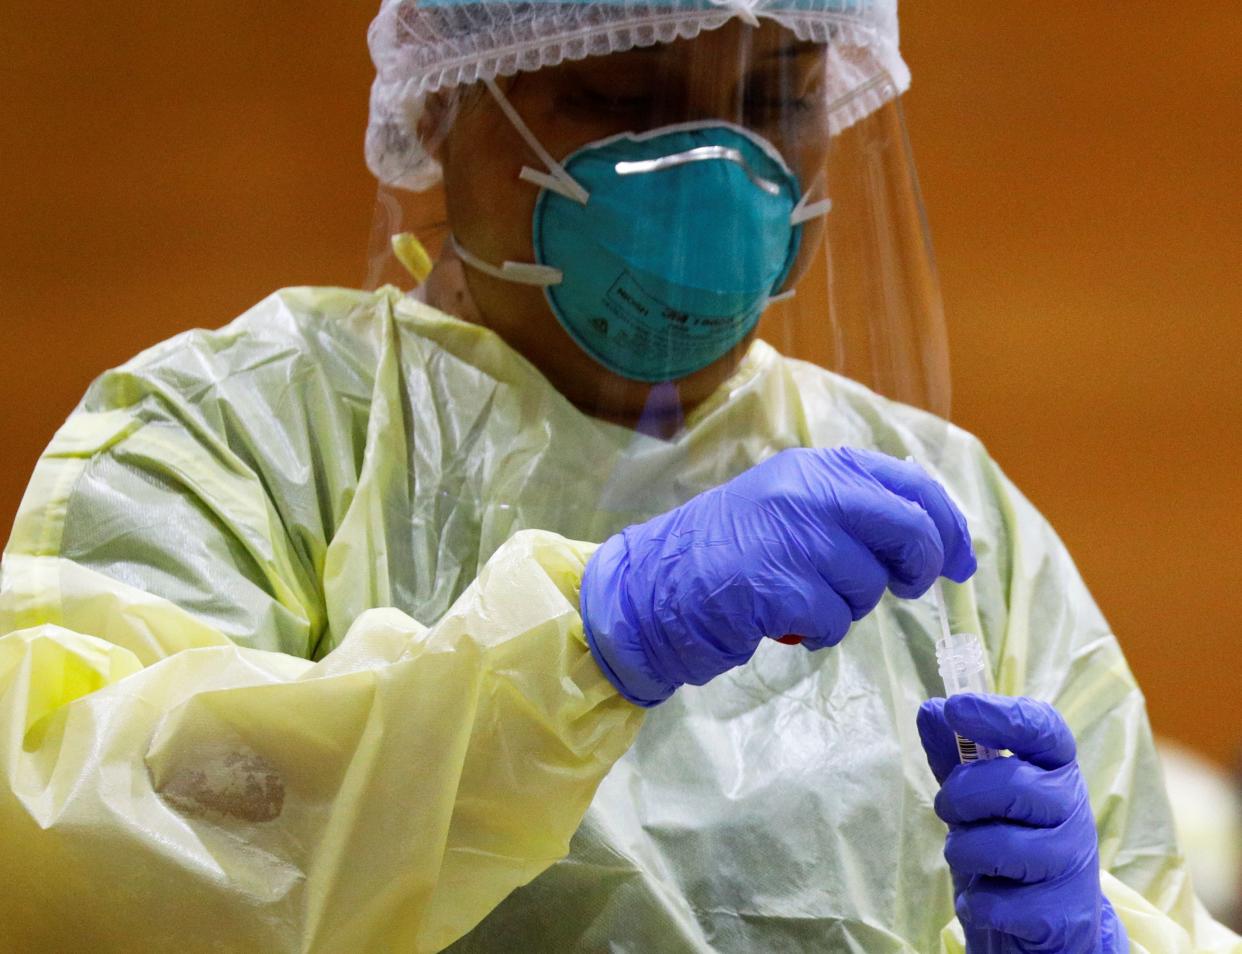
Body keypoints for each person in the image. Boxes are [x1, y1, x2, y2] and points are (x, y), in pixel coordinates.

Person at [0, 1, 1237, 952]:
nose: (718, 169)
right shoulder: (238, 441)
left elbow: (1154, 897)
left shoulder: (940, 511)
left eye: (779, 100)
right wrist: (586, 643)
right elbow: (78, 861)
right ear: (438, 101)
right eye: (615, 92)